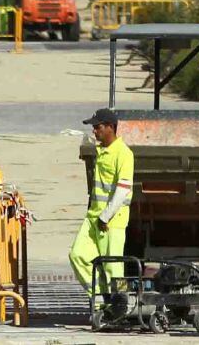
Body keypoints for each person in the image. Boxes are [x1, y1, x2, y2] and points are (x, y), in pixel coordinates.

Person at [69, 108, 134, 296]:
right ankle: (100, 299)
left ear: (110, 128)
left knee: (114, 269)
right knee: (78, 255)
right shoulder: (101, 150)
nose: (94, 131)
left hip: (112, 221)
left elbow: (123, 190)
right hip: (93, 217)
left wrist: (106, 216)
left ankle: (121, 304)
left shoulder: (123, 154)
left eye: (97, 127)